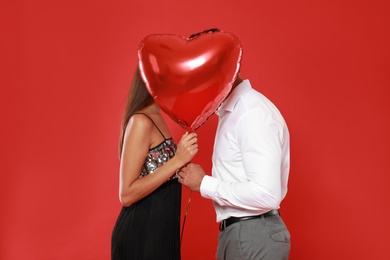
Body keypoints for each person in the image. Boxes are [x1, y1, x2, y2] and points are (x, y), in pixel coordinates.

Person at [178, 29, 291, 260]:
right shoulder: (233, 112)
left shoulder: (251, 113)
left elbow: (267, 194)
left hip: (252, 235)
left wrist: (204, 184)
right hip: (242, 233)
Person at [111, 66, 198, 260]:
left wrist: (184, 169)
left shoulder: (158, 116)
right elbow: (126, 194)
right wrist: (177, 161)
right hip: (142, 234)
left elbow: (160, 172)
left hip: (161, 233)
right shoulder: (141, 121)